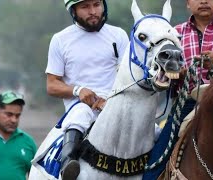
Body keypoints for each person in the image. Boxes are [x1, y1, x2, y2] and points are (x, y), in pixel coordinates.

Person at [143, 0, 213, 179]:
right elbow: (163, 73)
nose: (203, 1)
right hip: (189, 102)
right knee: (157, 159)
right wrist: (179, 74)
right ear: (188, 3)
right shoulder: (175, 33)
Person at [46, 0, 128, 179]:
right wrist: (78, 90)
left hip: (115, 106)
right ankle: (68, 163)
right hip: (80, 108)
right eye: (85, 7)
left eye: (96, 4)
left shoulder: (119, 35)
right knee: (81, 113)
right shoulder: (60, 39)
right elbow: (51, 85)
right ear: (73, 11)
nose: (93, 11)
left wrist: (111, 100)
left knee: (154, 130)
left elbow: (128, 76)